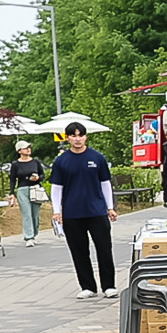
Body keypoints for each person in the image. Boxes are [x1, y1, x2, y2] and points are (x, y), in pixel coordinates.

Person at [50, 122, 118, 298]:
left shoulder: (97, 158)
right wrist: (57, 211)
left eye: (80, 135)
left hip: (97, 211)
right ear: (68, 138)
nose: (77, 139)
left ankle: (109, 285)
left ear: (86, 137)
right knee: (79, 251)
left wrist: (110, 207)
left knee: (104, 248)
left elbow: (105, 183)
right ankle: (87, 286)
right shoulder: (61, 161)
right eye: (73, 136)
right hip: (72, 213)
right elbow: (57, 187)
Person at [7, 140, 48, 244]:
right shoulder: (16, 164)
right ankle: (28, 237)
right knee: (27, 214)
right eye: (25, 148)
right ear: (19, 151)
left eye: (29, 147)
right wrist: (12, 193)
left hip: (35, 189)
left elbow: (42, 175)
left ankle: (34, 234)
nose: (28, 149)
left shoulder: (35, 162)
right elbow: (12, 179)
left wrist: (38, 178)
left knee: (35, 215)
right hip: (22, 189)